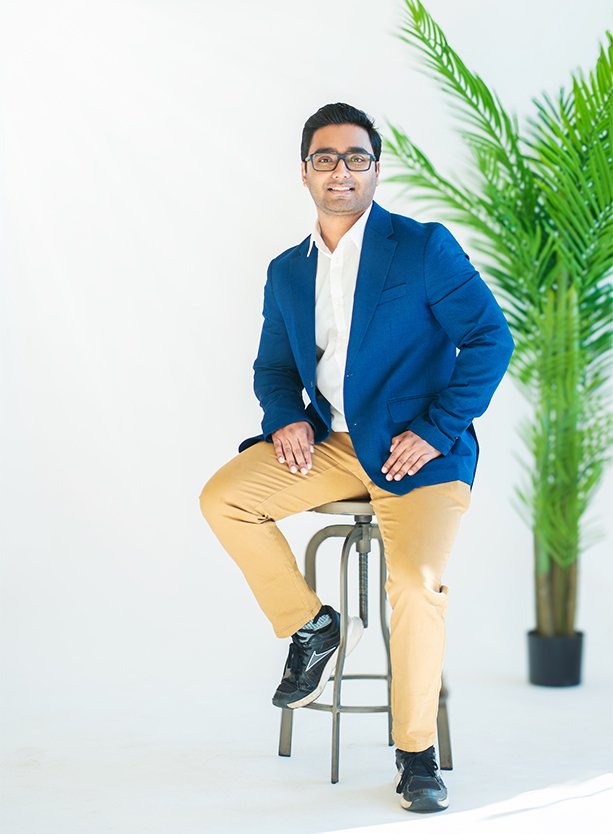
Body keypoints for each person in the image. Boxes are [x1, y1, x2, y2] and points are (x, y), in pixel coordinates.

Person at [199, 102, 514, 813]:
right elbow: (273, 368)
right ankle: (311, 626)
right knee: (224, 499)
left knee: (414, 583)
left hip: (418, 455)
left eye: (354, 158)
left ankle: (414, 754)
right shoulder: (286, 272)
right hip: (334, 447)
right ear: (304, 170)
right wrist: (285, 421)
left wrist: (436, 429)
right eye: (325, 158)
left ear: (376, 167)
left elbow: (490, 341)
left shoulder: (422, 247)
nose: (339, 171)